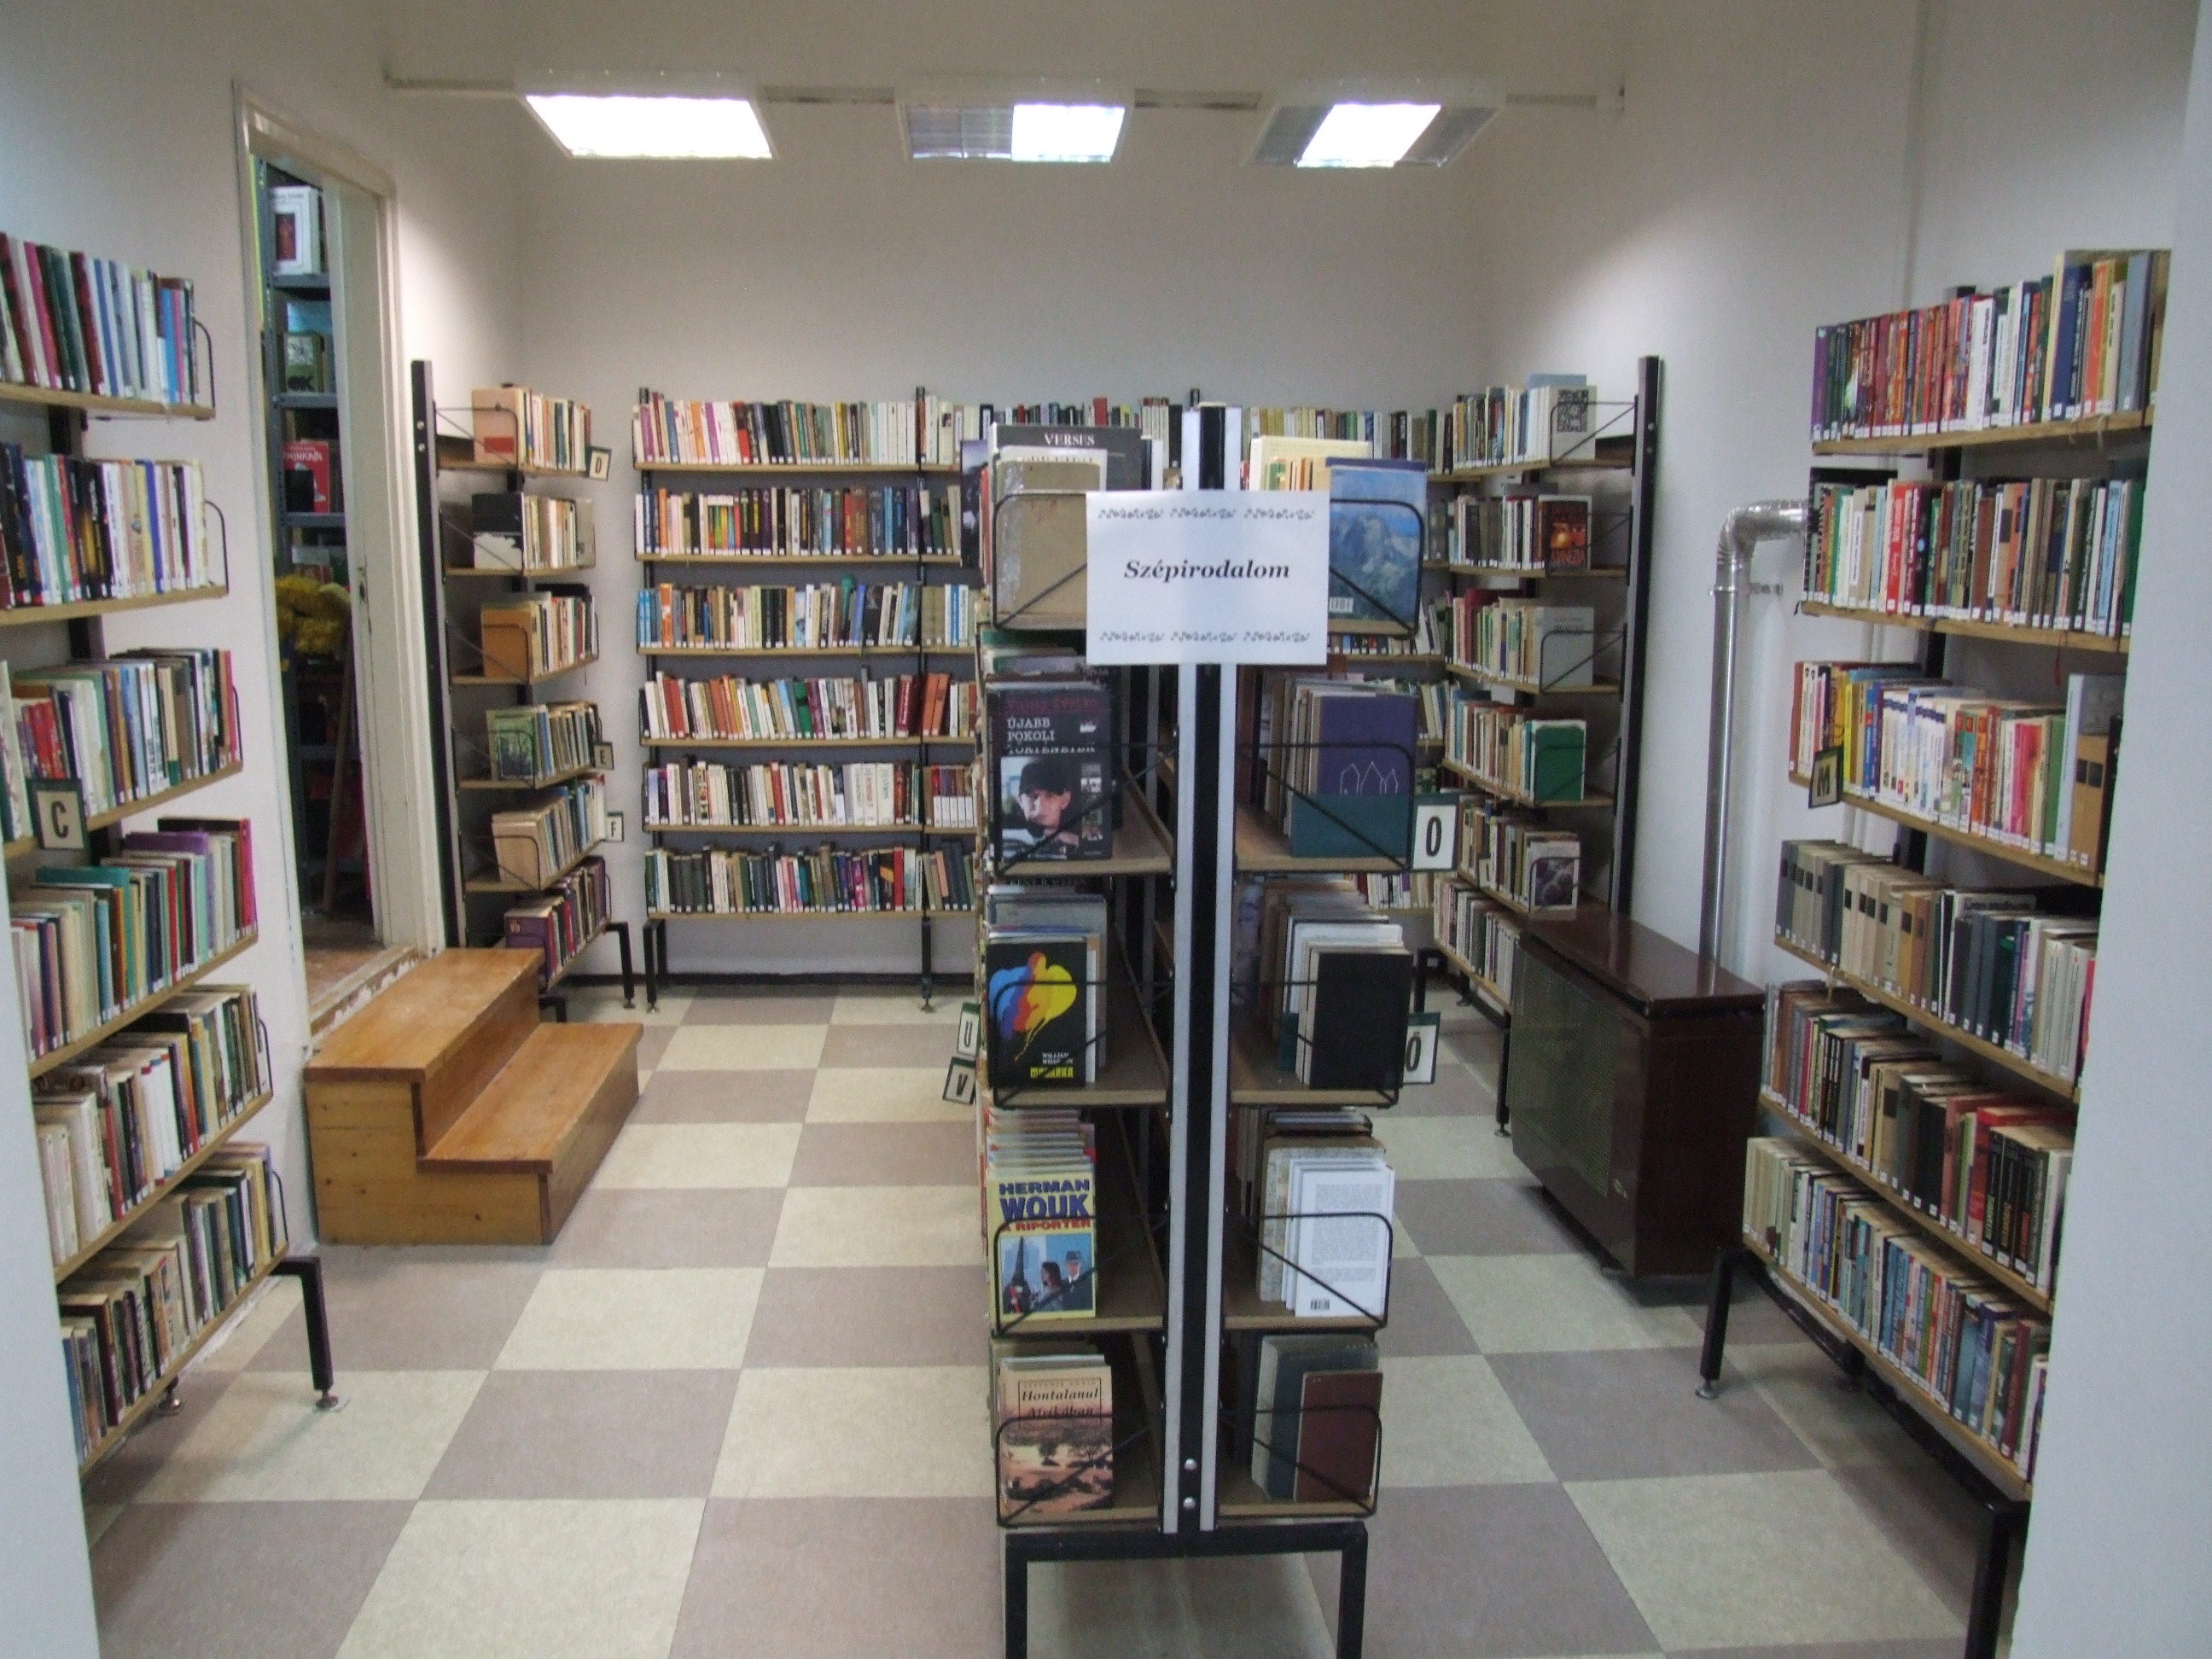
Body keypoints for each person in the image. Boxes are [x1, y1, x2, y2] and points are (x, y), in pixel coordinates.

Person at [1005, 754, 1088, 856]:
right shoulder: (1010, 832)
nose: (1040, 806)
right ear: (1020, 801)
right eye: (1032, 796)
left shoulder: (1081, 833)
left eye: (1050, 795)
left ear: (1065, 800)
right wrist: (1047, 832)